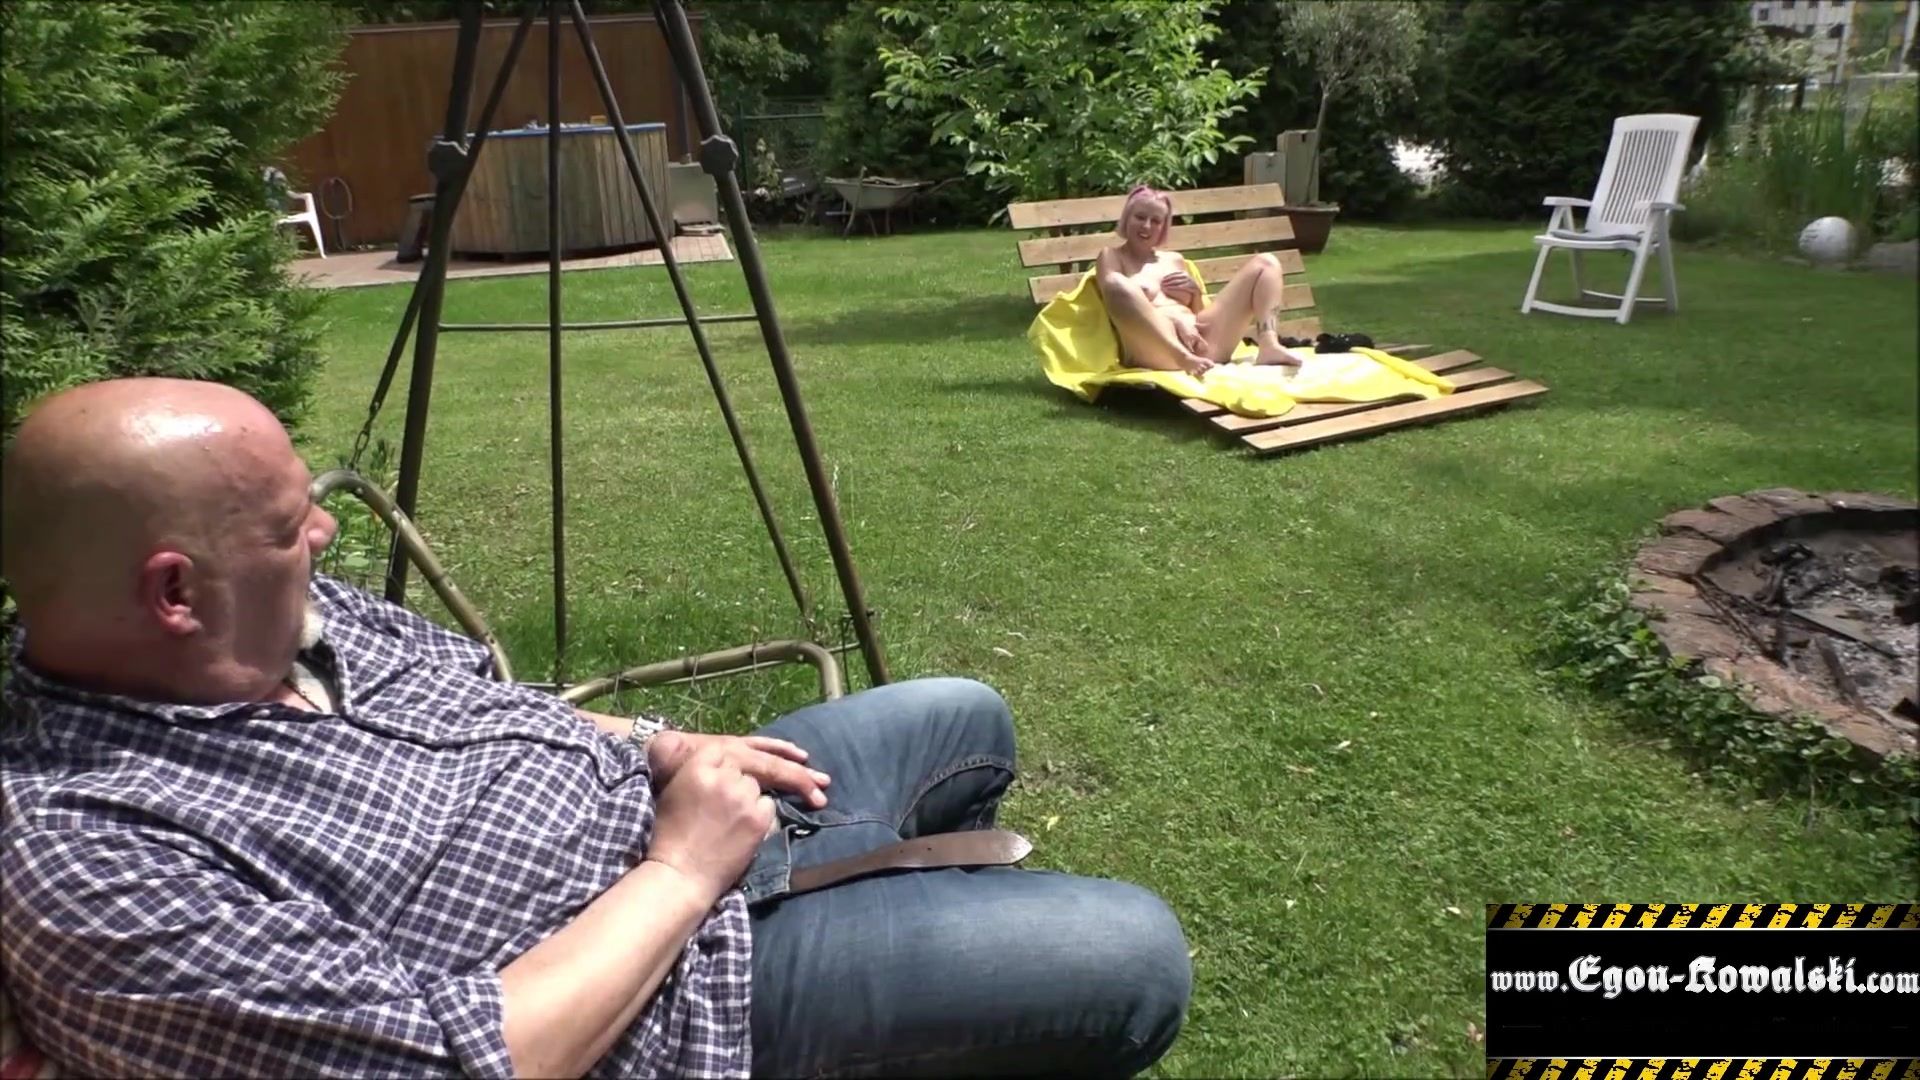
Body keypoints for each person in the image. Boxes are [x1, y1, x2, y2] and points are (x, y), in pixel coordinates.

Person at [0, 378, 1192, 1079]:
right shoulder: (90, 859)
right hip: (667, 999)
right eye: (285, 525)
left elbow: (490, 696)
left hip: (681, 815)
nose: (324, 533)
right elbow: (474, 1060)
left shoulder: (278, 619)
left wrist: (664, 746)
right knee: (1135, 958)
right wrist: (683, 871)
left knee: (964, 716)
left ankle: (911, 929)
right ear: (174, 593)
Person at [1096, 184, 1309, 379]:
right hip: (1155, 351)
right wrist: (1175, 321)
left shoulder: (1174, 260)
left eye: (1156, 221)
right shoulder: (1111, 257)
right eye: (1140, 217)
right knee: (1116, 284)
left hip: (1202, 344)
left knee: (1266, 263)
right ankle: (1183, 358)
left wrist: (1196, 295)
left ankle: (1269, 344)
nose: (1147, 226)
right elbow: (1119, 304)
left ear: (1164, 227)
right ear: (1127, 218)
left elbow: (1198, 315)